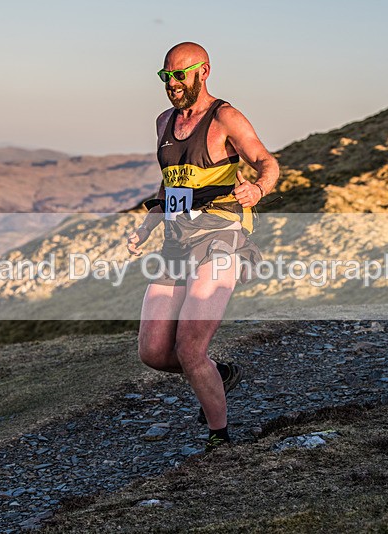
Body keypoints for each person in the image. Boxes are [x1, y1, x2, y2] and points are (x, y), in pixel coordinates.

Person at [127, 42, 279, 452]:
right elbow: (171, 182)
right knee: (155, 352)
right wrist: (146, 227)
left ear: (203, 71)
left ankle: (220, 439)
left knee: (190, 348)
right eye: (166, 76)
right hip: (176, 243)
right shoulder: (163, 122)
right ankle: (218, 374)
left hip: (220, 238)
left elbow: (268, 162)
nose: (172, 83)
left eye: (180, 74)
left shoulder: (224, 117)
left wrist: (258, 188)